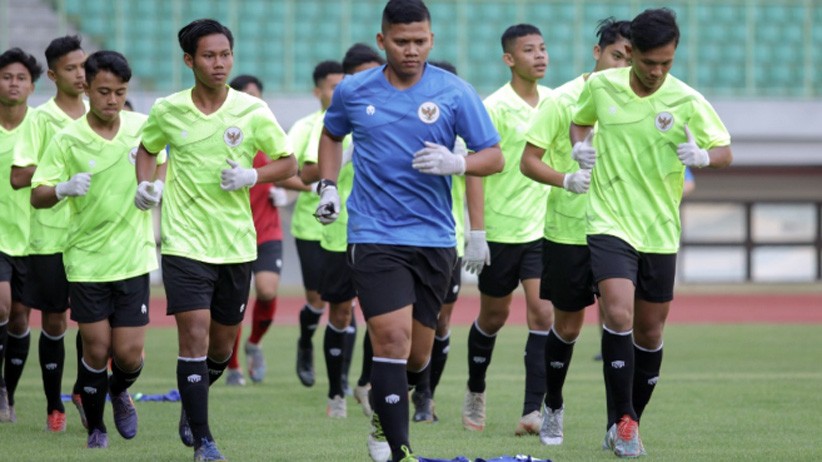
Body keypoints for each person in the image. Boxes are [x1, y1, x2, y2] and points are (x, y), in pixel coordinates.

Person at [316, 1, 503, 460]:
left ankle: (384, 413)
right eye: (402, 42)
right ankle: (399, 450)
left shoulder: (455, 92)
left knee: (418, 356)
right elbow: (330, 134)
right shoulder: (355, 90)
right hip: (374, 234)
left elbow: (493, 156)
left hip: (435, 239)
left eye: (420, 41)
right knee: (392, 340)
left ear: (432, 40)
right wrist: (327, 186)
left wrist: (457, 162)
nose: (412, 50)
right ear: (383, 42)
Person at [569, 8, 732, 457]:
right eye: (648, 62)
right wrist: (579, 147)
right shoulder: (601, 87)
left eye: (667, 62)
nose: (657, 71)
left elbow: (725, 151)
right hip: (608, 220)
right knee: (617, 314)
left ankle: (626, 420)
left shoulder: (687, 99)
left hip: (659, 229)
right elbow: (580, 120)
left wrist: (702, 158)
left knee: (650, 332)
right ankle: (625, 424)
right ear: (632, 54)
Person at [134, 19, 296, 461]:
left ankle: (194, 400)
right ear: (189, 60)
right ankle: (204, 440)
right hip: (185, 243)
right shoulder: (168, 110)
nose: (219, 62)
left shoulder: (252, 111)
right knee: (195, 338)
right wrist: (144, 185)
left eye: (225, 54)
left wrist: (252, 174)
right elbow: (148, 148)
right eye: (209, 55)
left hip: (237, 244)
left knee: (222, 348)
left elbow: (289, 162)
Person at [31, 50, 161, 449]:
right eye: (104, 91)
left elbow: (162, 162)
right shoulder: (67, 138)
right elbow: (37, 194)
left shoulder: (142, 128)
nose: (112, 100)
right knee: (97, 348)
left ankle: (119, 390)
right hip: (86, 260)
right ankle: (97, 428)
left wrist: (154, 189)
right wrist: (63, 189)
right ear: (87, 87)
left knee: (129, 355)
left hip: (133, 255)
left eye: (120, 92)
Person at [519, 17, 632, 446]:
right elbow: (529, 161)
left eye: (629, 60)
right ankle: (554, 405)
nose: (622, 67)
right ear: (597, 52)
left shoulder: (637, 101)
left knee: (621, 322)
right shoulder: (563, 100)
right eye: (616, 56)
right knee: (567, 328)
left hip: (620, 229)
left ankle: (619, 425)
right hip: (568, 231)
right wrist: (565, 179)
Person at [462, 23, 552, 436]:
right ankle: (476, 390)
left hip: (542, 229)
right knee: (493, 317)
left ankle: (534, 410)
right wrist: (476, 233)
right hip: (499, 231)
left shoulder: (556, 102)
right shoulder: (492, 106)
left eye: (543, 49)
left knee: (542, 312)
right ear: (509, 59)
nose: (540, 56)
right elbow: (476, 172)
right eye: (529, 50)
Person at [8, 35, 88, 432]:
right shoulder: (39, 119)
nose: (81, 74)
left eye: (83, 65)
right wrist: (59, 175)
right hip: (50, 236)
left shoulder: (102, 114)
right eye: (71, 68)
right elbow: (19, 175)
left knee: (93, 322)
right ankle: (53, 402)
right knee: (55, 321)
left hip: (95, 237)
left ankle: (82, 389)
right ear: (54, 75)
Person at [301, 44, 383, 419]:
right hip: (339, 234)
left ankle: (365, 383)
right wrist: (333, 165)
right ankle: (336, 392)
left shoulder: (391, 112)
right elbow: (304, 175)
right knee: (340, 315)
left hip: (381, 230)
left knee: (382, 315)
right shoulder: (331, 122)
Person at [409, 60, 488, 424]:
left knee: (439, 321)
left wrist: (475, 234)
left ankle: (426, 396)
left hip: (445, 241)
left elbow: (476, 173)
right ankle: (384, 389)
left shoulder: (459, 132)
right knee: (400, 322)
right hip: (397, 238)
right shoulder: (397, 121)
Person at [223, 74, 299, 386]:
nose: (251, 101)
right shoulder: (226, 137)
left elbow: (291, 175)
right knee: (233, 301)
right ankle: (234, 367)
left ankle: (254, 342)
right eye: (245, 96)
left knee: (267, 290)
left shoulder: (270, 136)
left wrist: (289, 194)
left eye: (256, 96)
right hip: (231, 232)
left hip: (266, 230)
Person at [292, 61, 346, 388]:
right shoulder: (305, 127)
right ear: (318, 91)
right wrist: (316, 184)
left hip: (348, 228)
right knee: (317, 300)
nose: (339, 92)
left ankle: (340, 383)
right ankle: (305, 343)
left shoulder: (361, 122)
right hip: (311, 227)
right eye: (333, 87)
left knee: (346, 306)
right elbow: (287, 170)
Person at [0, 47, 41, 424]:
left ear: (32, 85)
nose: (13, 83)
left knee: (19, 317)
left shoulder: (41, 125)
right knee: (1, 303)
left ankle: (7, 393)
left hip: (31, 236)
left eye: (21, 77)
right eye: (6, 76)